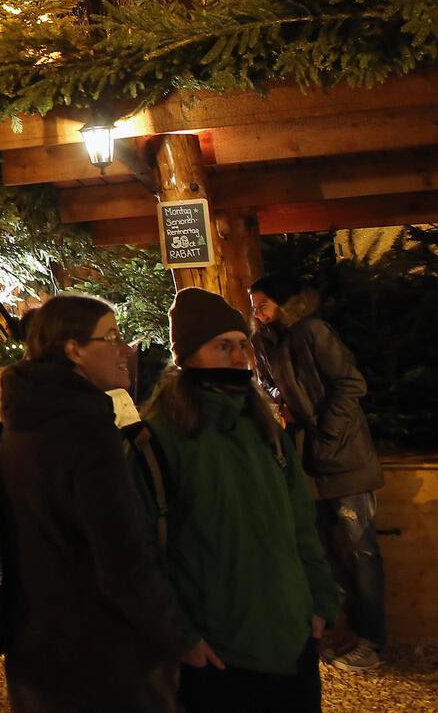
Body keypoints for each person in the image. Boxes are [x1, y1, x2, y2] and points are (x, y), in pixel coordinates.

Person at [0, 295, 216, 713]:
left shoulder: (21, 422)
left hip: (36, 646)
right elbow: (122, 557)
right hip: (99, 656)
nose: (124, 348)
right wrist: (179, 636)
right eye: (110, 336)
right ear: (74, 349)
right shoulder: (86, 432)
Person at [143, 288, 340, 713]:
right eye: (222, 346)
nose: (238, 358)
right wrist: (181, 636)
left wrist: (320, 601)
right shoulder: (157, 441)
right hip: (220, 652)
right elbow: (141, 554)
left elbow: (301, 527)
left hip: (292, 640)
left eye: (241, 345)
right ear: (188, 357)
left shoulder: (267, 431)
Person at [249, 274, 387, 670]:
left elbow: (351, 384)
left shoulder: (313, 332)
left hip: (344, 455)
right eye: (253, 307)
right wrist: (278, 403)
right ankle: (344, 631)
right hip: (306, 460)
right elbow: (268, 385)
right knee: (323, 550)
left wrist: (326, 430)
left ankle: (373, 642)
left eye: (263, 305)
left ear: (283, 302)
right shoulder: (263, 341)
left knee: (361, 550)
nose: (257, 313)